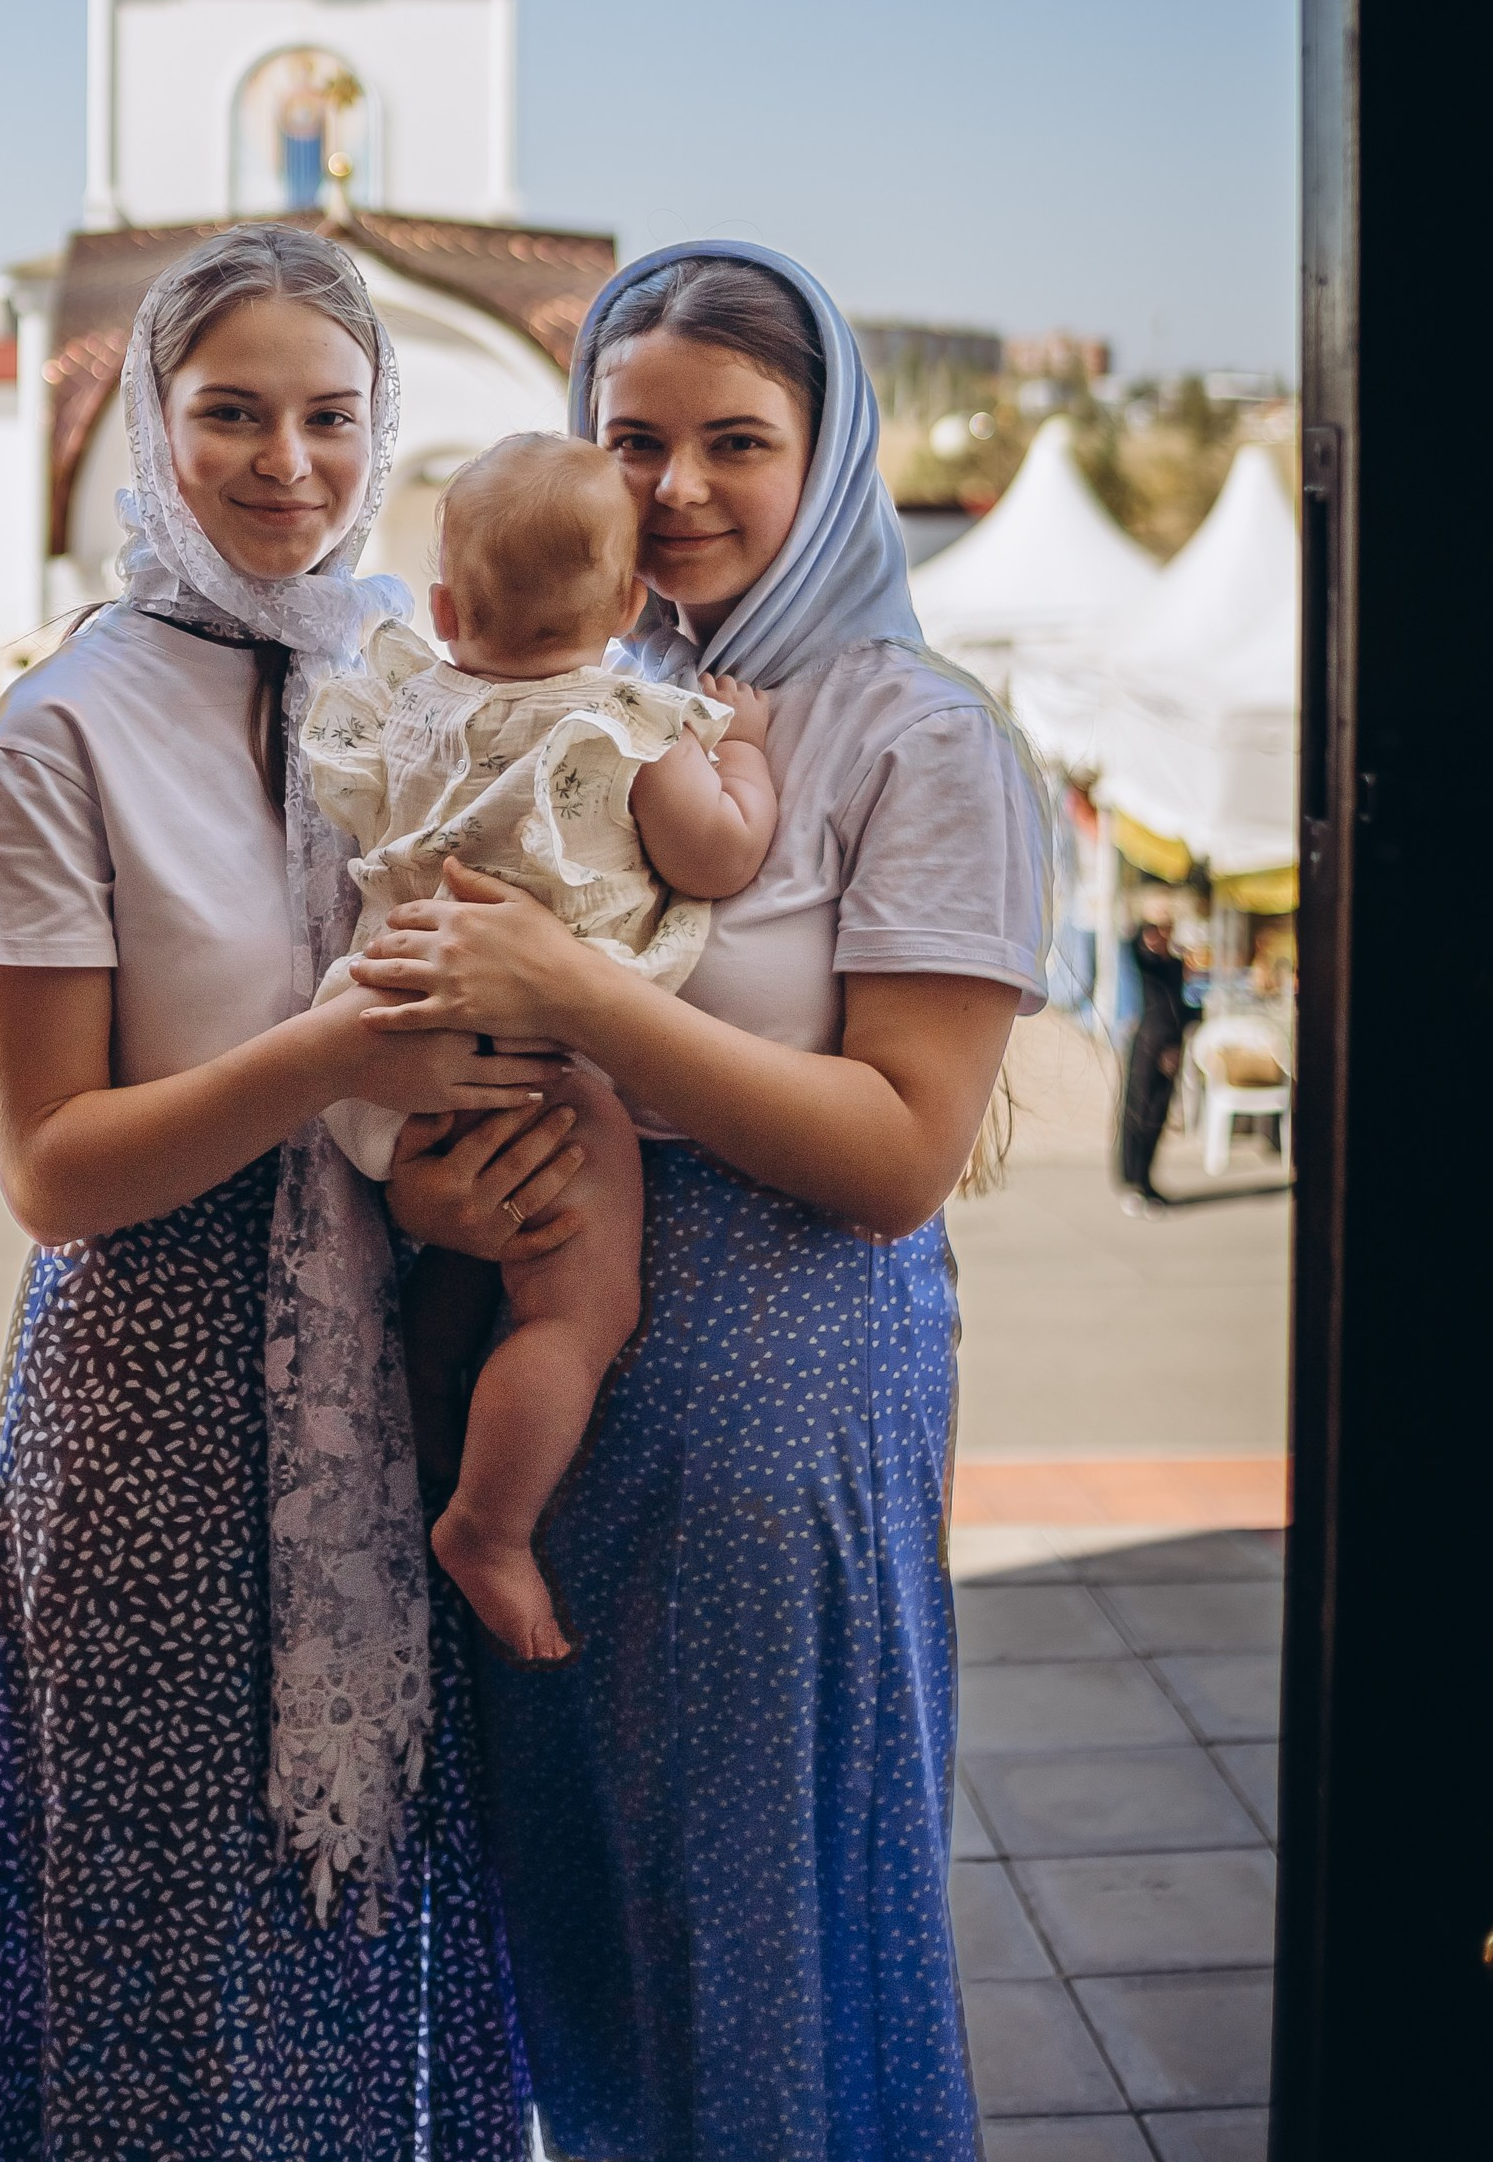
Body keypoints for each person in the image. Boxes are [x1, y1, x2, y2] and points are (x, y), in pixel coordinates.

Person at [352, 242, 1051, 2162]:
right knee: (587, 1933)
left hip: (779, 1394)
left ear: (828, 462)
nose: (674, 491)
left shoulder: (918, 738)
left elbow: (904, 1149)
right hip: (551, 1379)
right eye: (631, 438)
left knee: (760, 1940)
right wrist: (436, 1171)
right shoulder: (575, 686)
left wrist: (577, 1006)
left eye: (735, 442)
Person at [0, 227, 553, 2162]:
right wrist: (332, 1059)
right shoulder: (57, 737)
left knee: (384, 1939)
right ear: (153, 428)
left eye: (331, 416)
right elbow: (51, 1173)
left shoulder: (421, 678)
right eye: (231, 414)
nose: (288, 462)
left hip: (404, 1377)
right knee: (169, 1943)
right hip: (157, 1409)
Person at [302, 431, 777, 1662]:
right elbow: (719, 854)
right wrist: (748, 755)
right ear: (630, 604)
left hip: (388, 1040)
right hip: (539, 1072)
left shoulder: (410, 702)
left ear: (447, 602)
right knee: (578, 1310)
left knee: (459, 1291)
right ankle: (490, 1527)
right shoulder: (625, 722)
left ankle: (421, 1485)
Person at [1117, 910, 1195, 1206]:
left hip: (1171, 1046)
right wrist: (1146, 914)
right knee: (1138, 1112)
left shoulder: (1174, 965)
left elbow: (1180, 1007)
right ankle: (1132, 1178)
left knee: (1158, 1115)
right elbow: (1128, 944)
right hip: (1149, 1046)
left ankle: (1146, 1178)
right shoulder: (1146, 963)